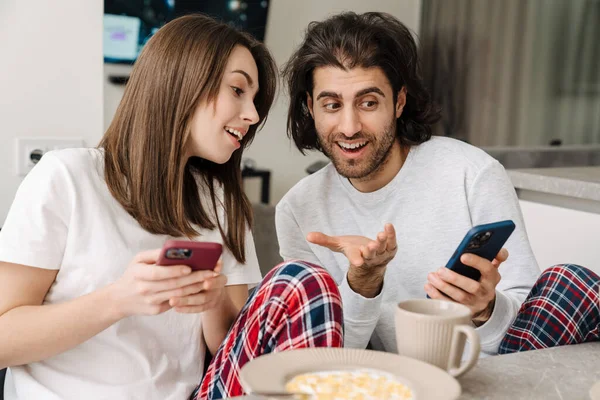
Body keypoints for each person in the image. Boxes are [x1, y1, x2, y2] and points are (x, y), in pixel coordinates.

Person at [0, 14, 343, 400]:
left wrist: (212, 303)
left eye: (254, 99)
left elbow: (231, 358)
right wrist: (119, 299)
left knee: (304, 281)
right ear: (182, 80)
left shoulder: (222, 203)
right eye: (237, 90)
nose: (253, 115)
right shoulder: (66, 178)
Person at [277, 11, 599, 356]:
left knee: (570, 283)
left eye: (368, 103)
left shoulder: (471, 174)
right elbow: (329, 355)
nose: (350, 126)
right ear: (311, 107)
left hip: (494, 374)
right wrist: (363, 283)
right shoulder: (299, 211)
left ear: (399, 102)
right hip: (390, 381)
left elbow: (527, 329)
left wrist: (486, 309)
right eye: (331, 105)